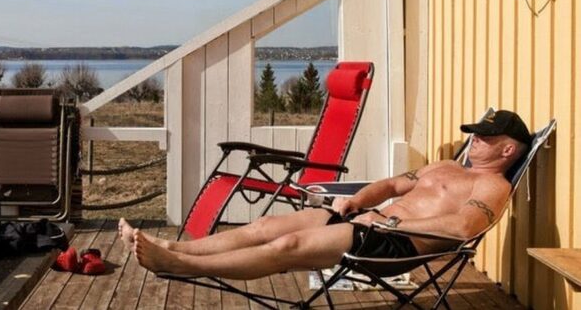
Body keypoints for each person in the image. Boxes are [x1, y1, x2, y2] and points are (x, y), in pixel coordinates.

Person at [118, 110, 532, 280]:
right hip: (368, 223)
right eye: (475, 135)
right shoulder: (446, 166)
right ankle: (175, 247)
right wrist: (358, 201)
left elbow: (462, 227)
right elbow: (391, 186)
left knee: (287, 246)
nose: (475, 140)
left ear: (508, 151)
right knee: (265, 225)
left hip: (395, 244)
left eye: (485, 138)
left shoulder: (492, 186)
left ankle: (183, 266)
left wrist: (392, 222)